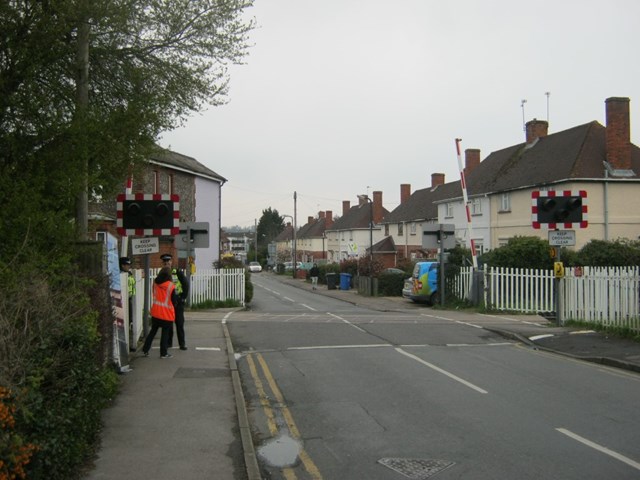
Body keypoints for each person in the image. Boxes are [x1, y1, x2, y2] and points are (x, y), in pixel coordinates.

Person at [142, 267, 177, 358]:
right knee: (165, 334)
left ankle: (145, 350)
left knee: (152, 332)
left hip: (156, 312)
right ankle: (163, 353)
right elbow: (174, 301)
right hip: (166, 314)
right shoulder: (171, 286)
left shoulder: (155, 283)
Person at [160, 253, 189, 350]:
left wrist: (183, 297)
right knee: (168, 323)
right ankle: (169, 343)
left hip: (178, 301)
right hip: (167, 302)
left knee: (179, 323)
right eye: (165, 261)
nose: (166, 263)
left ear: (171, 262)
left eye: (168, 261)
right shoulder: (162, 273)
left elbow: (185, 284)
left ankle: (182, 344)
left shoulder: (177, 272)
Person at [119, 257, 137, 345]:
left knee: (129, 320)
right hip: (122, 300)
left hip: (129, 299)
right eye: (127, 265)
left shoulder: (129, 274)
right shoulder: (120, 275)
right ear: (122, 265)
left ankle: (128, 341)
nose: (128, 267)